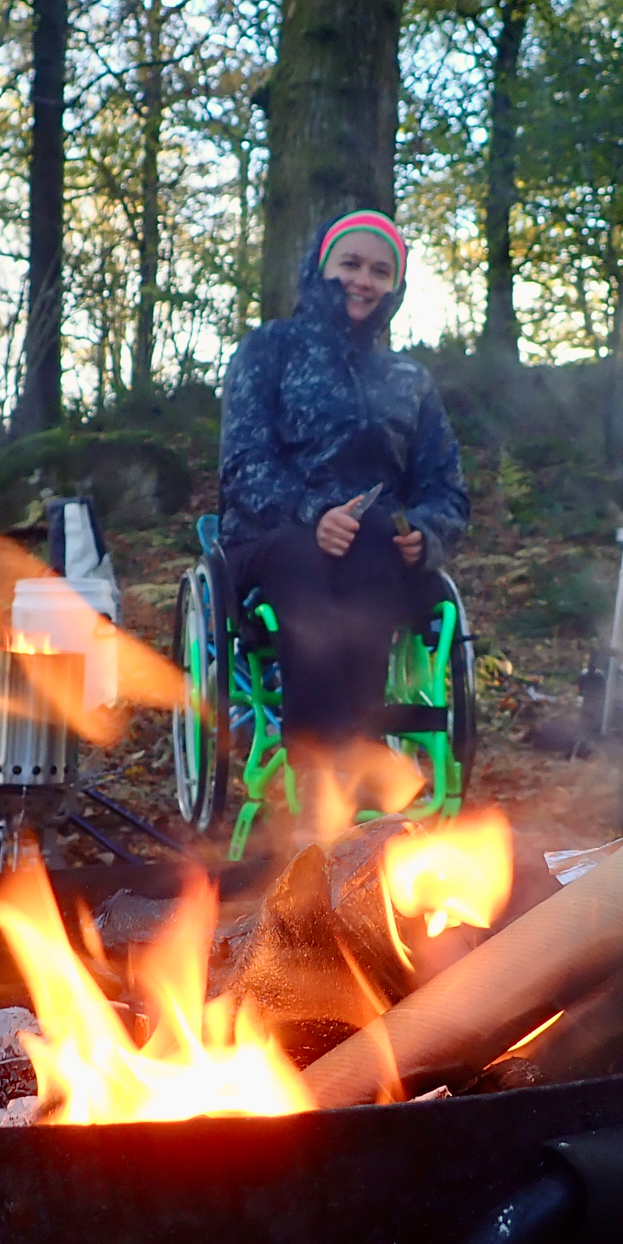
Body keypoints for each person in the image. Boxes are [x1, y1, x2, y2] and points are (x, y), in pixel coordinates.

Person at [219, 209, 470, 810]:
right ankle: (328, 752)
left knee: (379, 538)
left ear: (396, 287)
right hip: (272, 538)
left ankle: (350, 754)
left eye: (380, 271)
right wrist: (311, 512)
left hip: (374, 547)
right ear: (320, 268)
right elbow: (242, 464)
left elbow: (446, 488)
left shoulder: (409, 379)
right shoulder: (269, 350)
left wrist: (427, 534)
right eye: (350, 264)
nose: (363, 280)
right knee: (305, 554)